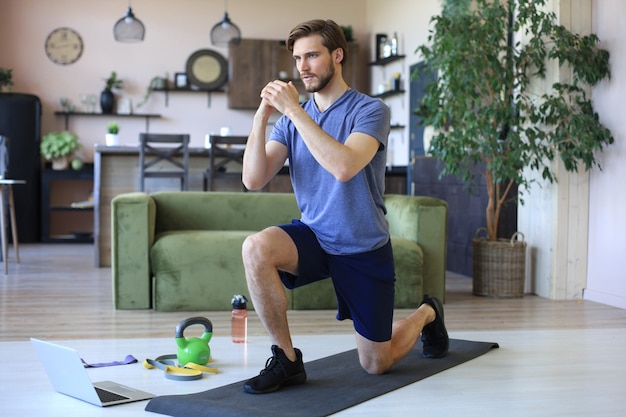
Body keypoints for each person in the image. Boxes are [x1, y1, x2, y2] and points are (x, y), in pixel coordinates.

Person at [240, 19, 449, 395]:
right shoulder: (291, 120)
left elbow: (344, 166)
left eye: (313, 56)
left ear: (337, 55)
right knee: (256, 247)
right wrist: (262, 116)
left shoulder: (370, 111)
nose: (302, 66)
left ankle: (427, 312)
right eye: (298, 58)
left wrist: (295, 112)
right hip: (316, 236)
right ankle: (287, 359)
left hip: (362, 245)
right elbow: (253, 179)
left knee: (376, 365)